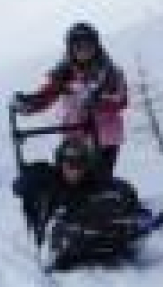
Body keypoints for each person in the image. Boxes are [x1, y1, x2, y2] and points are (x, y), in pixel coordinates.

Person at [12, 138, 162, 270]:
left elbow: (121, 189)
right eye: (70, 163)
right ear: (60, 162)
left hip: (88, 223)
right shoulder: (47, 177)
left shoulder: (93, 180)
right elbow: (19, 187)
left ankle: (115, 233)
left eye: (80, 163)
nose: (75, 169)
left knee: (110, 200)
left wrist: (140, 214)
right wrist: (28, 180)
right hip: (56, 229)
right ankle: (69, 243)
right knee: (62, 222)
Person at [13, 22, 128, 176]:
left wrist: (99, 103)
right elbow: (47, 94)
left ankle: (104, 196)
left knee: (98, 176)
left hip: (104, 135)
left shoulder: (109, 72)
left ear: (96, 46)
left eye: (88, 45)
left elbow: (120, 100)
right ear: (70, 50)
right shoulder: (64, 74)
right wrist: (29, 104)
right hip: (74, 133)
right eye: (78, 47)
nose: (83, 51)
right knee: (70, 176)